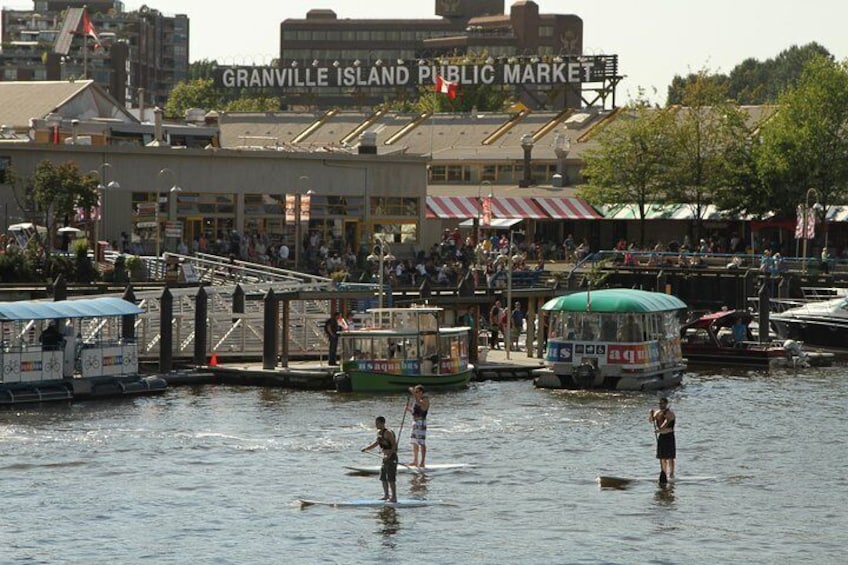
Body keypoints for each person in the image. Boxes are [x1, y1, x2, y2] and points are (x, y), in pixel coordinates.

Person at [361, 416, 398, 502]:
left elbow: (394, 446)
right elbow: (376, 443)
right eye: (376, 423)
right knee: (383, 477)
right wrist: (366, 448)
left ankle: (394, 497)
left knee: (391, 478)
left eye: (377, 423)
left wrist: (390, 454)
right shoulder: (379, 433)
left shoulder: (388, 433)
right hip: (384, 458)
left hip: (392, 457)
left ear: (382, 423)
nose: (376, 425)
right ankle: (386, 495)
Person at [649, 397, 676, 484]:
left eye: (662, 403)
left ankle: (671, 474)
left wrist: (660, 430)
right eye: (660, 403)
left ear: (666, 404)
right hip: (662, 437)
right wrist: (651, 414)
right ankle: (663, 473)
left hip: (669, 436)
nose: (661, 405)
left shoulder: (670, 413)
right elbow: (651, 421)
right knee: (662, 457)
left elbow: (666, 423)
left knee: (670, 457)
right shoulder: (657, 413)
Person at [406, 385, 430, 468]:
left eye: (416, 392)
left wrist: (412, 392)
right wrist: (408, 409)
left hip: (421, 422)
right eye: (415, 392)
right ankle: (415, 461)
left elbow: (422, 406)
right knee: (414, 442)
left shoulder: (425, 399)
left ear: (421, 392)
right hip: (415, 422)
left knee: (421, 443)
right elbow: (414, 412)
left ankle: (422, 462)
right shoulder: (416, 400)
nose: (415, 393)